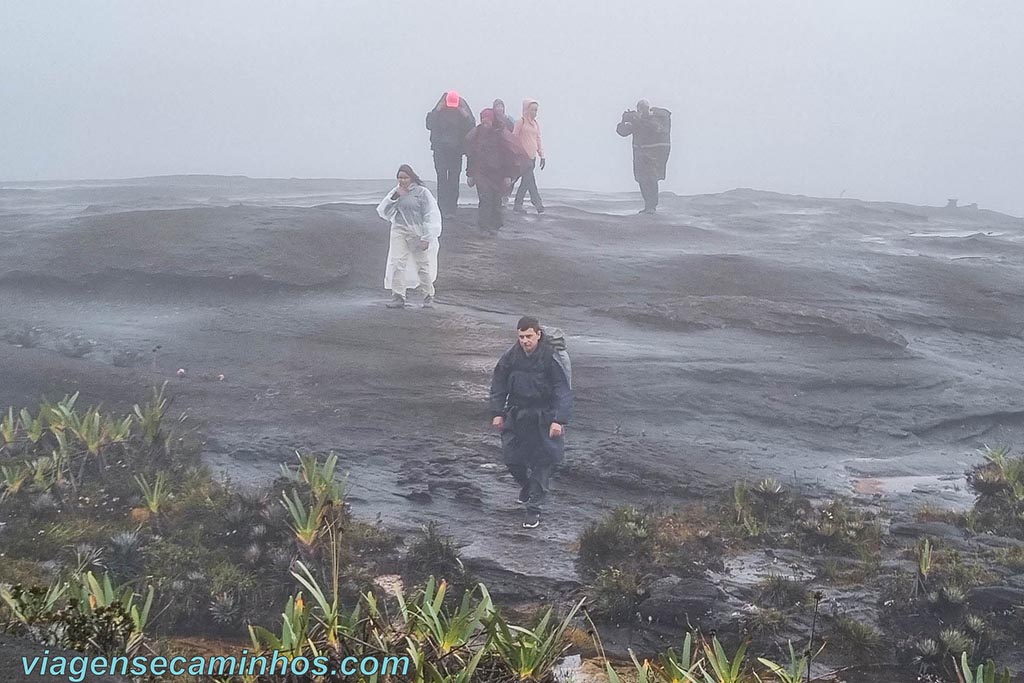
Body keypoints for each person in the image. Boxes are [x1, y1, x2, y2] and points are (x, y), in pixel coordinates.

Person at [489, 317, 573, 528]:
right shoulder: (511, 356)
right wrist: (498, 412)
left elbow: (562, 389)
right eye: (521, 337)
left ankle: (534, 510)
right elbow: (499, 382)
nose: (525, 341)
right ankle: (527, 486)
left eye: (528, 336)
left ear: (538, 334)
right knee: (512, 459)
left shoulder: (549, 358)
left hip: (544, 415)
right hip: (517, 413)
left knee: (542, 463)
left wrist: (558, 420)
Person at [376, 165, 442, 309]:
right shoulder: (396, 192)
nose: (402, 180)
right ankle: (398, 296)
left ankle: (428, 296)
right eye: (399, 177)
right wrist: (395, 197)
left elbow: (430, 215)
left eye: (405, 177)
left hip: (417, 232)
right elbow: (384, 212)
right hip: (399, 229)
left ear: (411, 177)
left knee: (422, 265)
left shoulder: (422, 192)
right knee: (398, 262)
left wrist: (427, 236)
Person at [465, 109, 528, 231]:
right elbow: (471, 155)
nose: (485, 121)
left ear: (492, 120)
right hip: (481, 173)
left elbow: (509, 155)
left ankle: (494, 227)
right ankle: (483, 228)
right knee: (485, 199)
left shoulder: (501, 135)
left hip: (498, 174)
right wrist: (470, 174)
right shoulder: (476, 134)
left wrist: (508, 176)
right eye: (483, 118)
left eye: (487, 118)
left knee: (496, 201)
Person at [425, 91, 475, 220]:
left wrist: (465, 115)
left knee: (454, 178)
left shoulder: (463, 110)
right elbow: (429, 125)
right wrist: (437, 110)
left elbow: (472, 127)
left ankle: (451, 209)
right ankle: (442, 208)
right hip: (440, 149)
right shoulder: (439, 109)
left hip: (456, 150)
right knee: (442, 177)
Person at [616, 99, 671, 214]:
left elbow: (656, 129)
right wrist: (623, 120)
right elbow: (623, 132)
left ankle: (652, 206)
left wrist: (639, 119)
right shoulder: (637, 120)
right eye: (639, 109)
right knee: (642, 179)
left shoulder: (659, 117)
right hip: (640, 154)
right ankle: (648, 206)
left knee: (651, 178)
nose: (641, 111)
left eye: (643, 108)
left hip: (655, 153)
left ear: (648, 108)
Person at [513, 99, 546, 214]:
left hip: (532, 158)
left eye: (536, 110)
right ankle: (537, 203)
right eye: (532, 110)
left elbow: (538, 140)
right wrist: (515, 154)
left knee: (527, 181)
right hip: (522, 157)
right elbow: (514, 138)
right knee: (528, 180)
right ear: (526, 110)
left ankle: (519, 204)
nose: (534, 112)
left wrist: (542, 155)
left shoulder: (536, 124)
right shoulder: (520, 122)